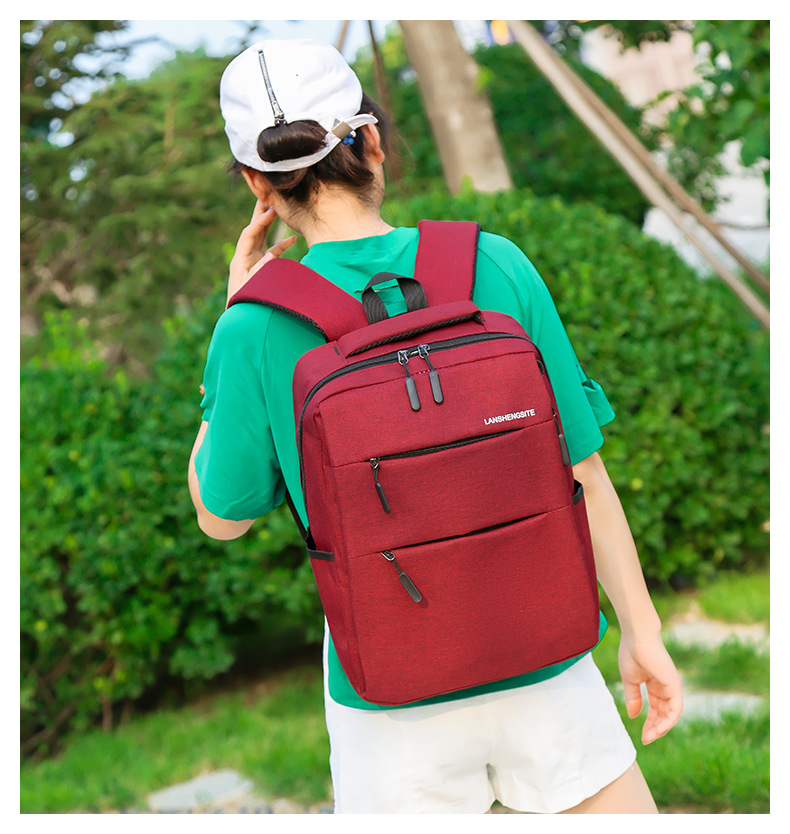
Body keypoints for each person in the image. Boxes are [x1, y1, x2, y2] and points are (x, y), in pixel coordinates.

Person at [188, 37, 683, 814]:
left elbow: (223, 518)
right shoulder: (496, 264)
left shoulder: (254, 327)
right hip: (544, 653)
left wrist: (233, 319)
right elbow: (583, 469)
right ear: (373, 141)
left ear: (256, 182)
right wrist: (641, 631)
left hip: (389, 694)